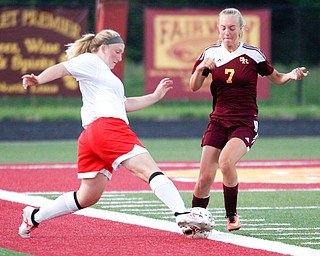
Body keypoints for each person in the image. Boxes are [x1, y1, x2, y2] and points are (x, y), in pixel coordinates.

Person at [18, 29, 196, 238]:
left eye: (122, 53)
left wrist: (155, 96)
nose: (120, 58)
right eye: (117, 52)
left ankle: (34, 217)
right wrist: (38, 80)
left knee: (87, 197)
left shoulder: (104, 75)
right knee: (149, 170)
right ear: (103, 48)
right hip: (108, 128)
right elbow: (62, 68)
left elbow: (125, 104)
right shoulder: (91, 61)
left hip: (92, 135)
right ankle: (182, 213)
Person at [187, 8, 310, 232]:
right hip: (218, 120)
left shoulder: (253, 54)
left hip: (244, 121)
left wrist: (290, 75)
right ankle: (194, 221)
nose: (227, 32)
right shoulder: (210, 53)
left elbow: (276, 78)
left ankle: (231, 214)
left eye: (232, 28)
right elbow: (193, 86)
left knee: (226, 163)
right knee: (204, 177)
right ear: (218, 28)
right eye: (223, 28)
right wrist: (203, 67)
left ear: (242, 29)